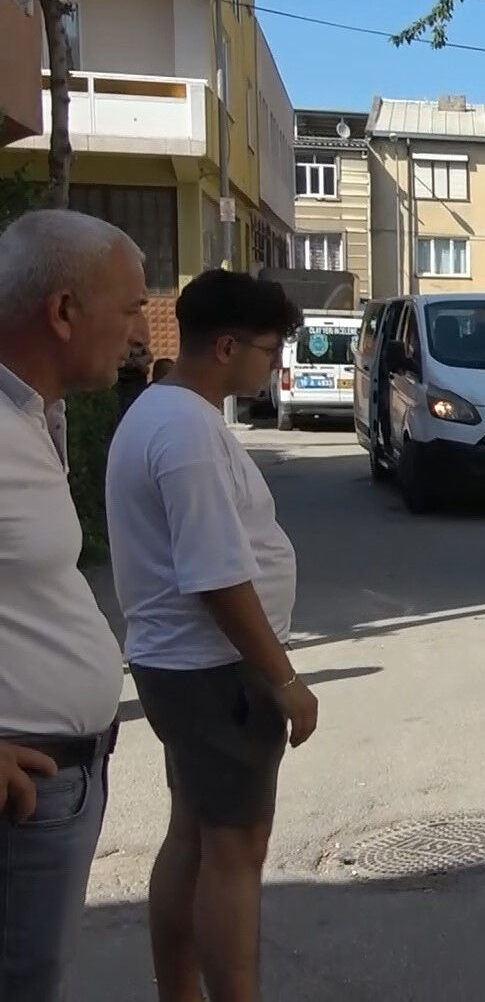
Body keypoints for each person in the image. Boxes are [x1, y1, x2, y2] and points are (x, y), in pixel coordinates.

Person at [107, 268, 313, 1002]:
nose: (273, 364)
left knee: (193, 836)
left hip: (184, 668)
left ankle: (180, 993)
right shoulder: (188, 432)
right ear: (227, 346)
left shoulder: (166, 413)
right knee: (235, 851)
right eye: (268, 348)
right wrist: (285, 681)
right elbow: (218, 575)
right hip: (214, 671)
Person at [0, 210, 148, 1002]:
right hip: (21, 792)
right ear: (63, 312)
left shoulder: (33, 414)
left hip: (60, 785)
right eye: (129, 308)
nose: (137, 333)